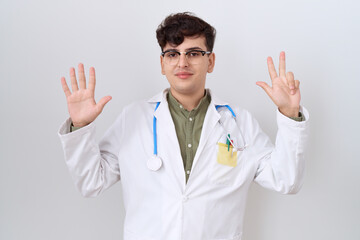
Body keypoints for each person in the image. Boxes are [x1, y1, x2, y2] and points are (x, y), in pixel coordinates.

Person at [58, 12, 309, 240]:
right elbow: (91, 182)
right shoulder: (133, 118)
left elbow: (285, 179)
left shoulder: (239, 122)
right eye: (173, 54)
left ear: (210, 62)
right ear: (162, 63)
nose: (182, 63)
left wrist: (290, 114)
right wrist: (80, 126)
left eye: (193, 53)